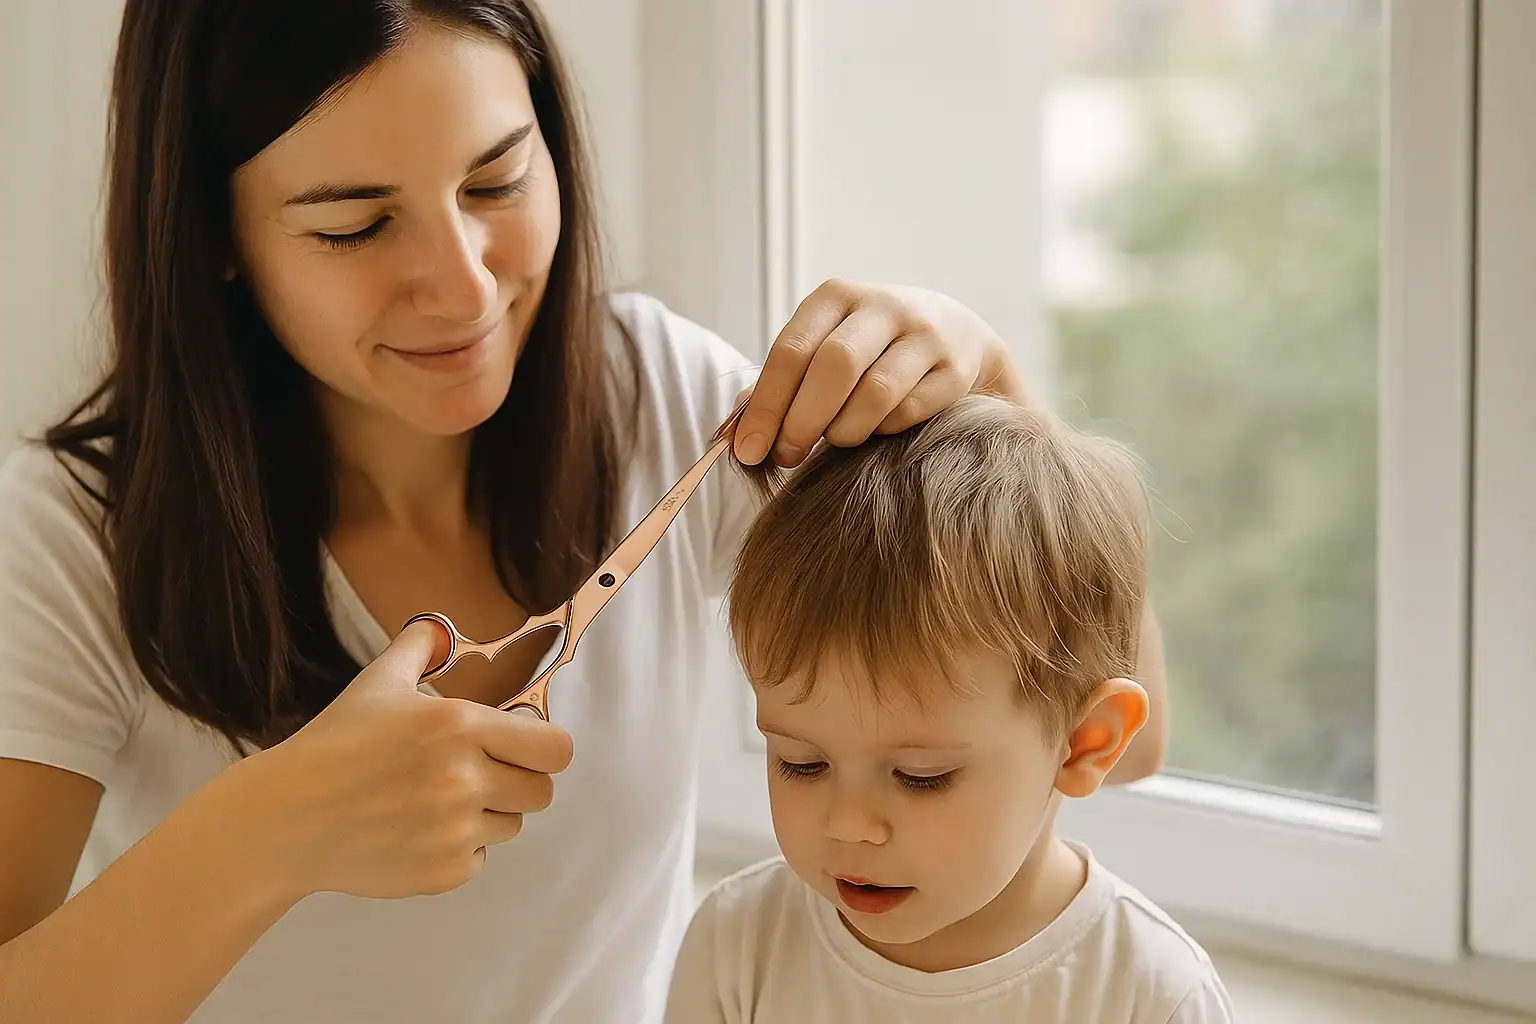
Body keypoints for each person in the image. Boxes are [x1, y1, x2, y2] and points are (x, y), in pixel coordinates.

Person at [0, 3, 1165, 1022]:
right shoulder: (62, 544)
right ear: (214, 237)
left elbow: (1117, 736)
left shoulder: (673, 408)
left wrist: (999, 387)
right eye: (356, 224)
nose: (463, 284)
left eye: (497, 181)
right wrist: (265, 835)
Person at [665, 395, 1229, 1023]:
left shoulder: (1147, 994)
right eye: (801, 762)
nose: (849, 824)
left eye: (921, 777)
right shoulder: (740, 944)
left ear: (1084, 741)